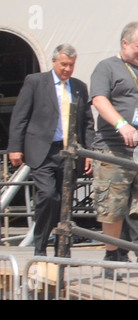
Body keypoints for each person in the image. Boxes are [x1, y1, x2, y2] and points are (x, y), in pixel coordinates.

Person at [90, 22, 138, 279]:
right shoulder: (106, 67)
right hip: (114, 148)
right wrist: (121, 123)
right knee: (113, 205)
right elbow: (99, 99)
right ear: (124, 43)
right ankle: (113, 255)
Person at [7, 43, 94, 256]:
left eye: (71, 65)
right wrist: (15, 147)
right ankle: (40, 246)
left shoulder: (79, 87)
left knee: (65, 201)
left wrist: (90, 152)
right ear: (54, 62)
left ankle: (61, 250)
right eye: (63, 64)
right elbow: (20, 116)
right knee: (48, 196)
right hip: (43, 150)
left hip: (70, 153)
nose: (67, 69)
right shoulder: (35, 82)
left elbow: (87, 122)